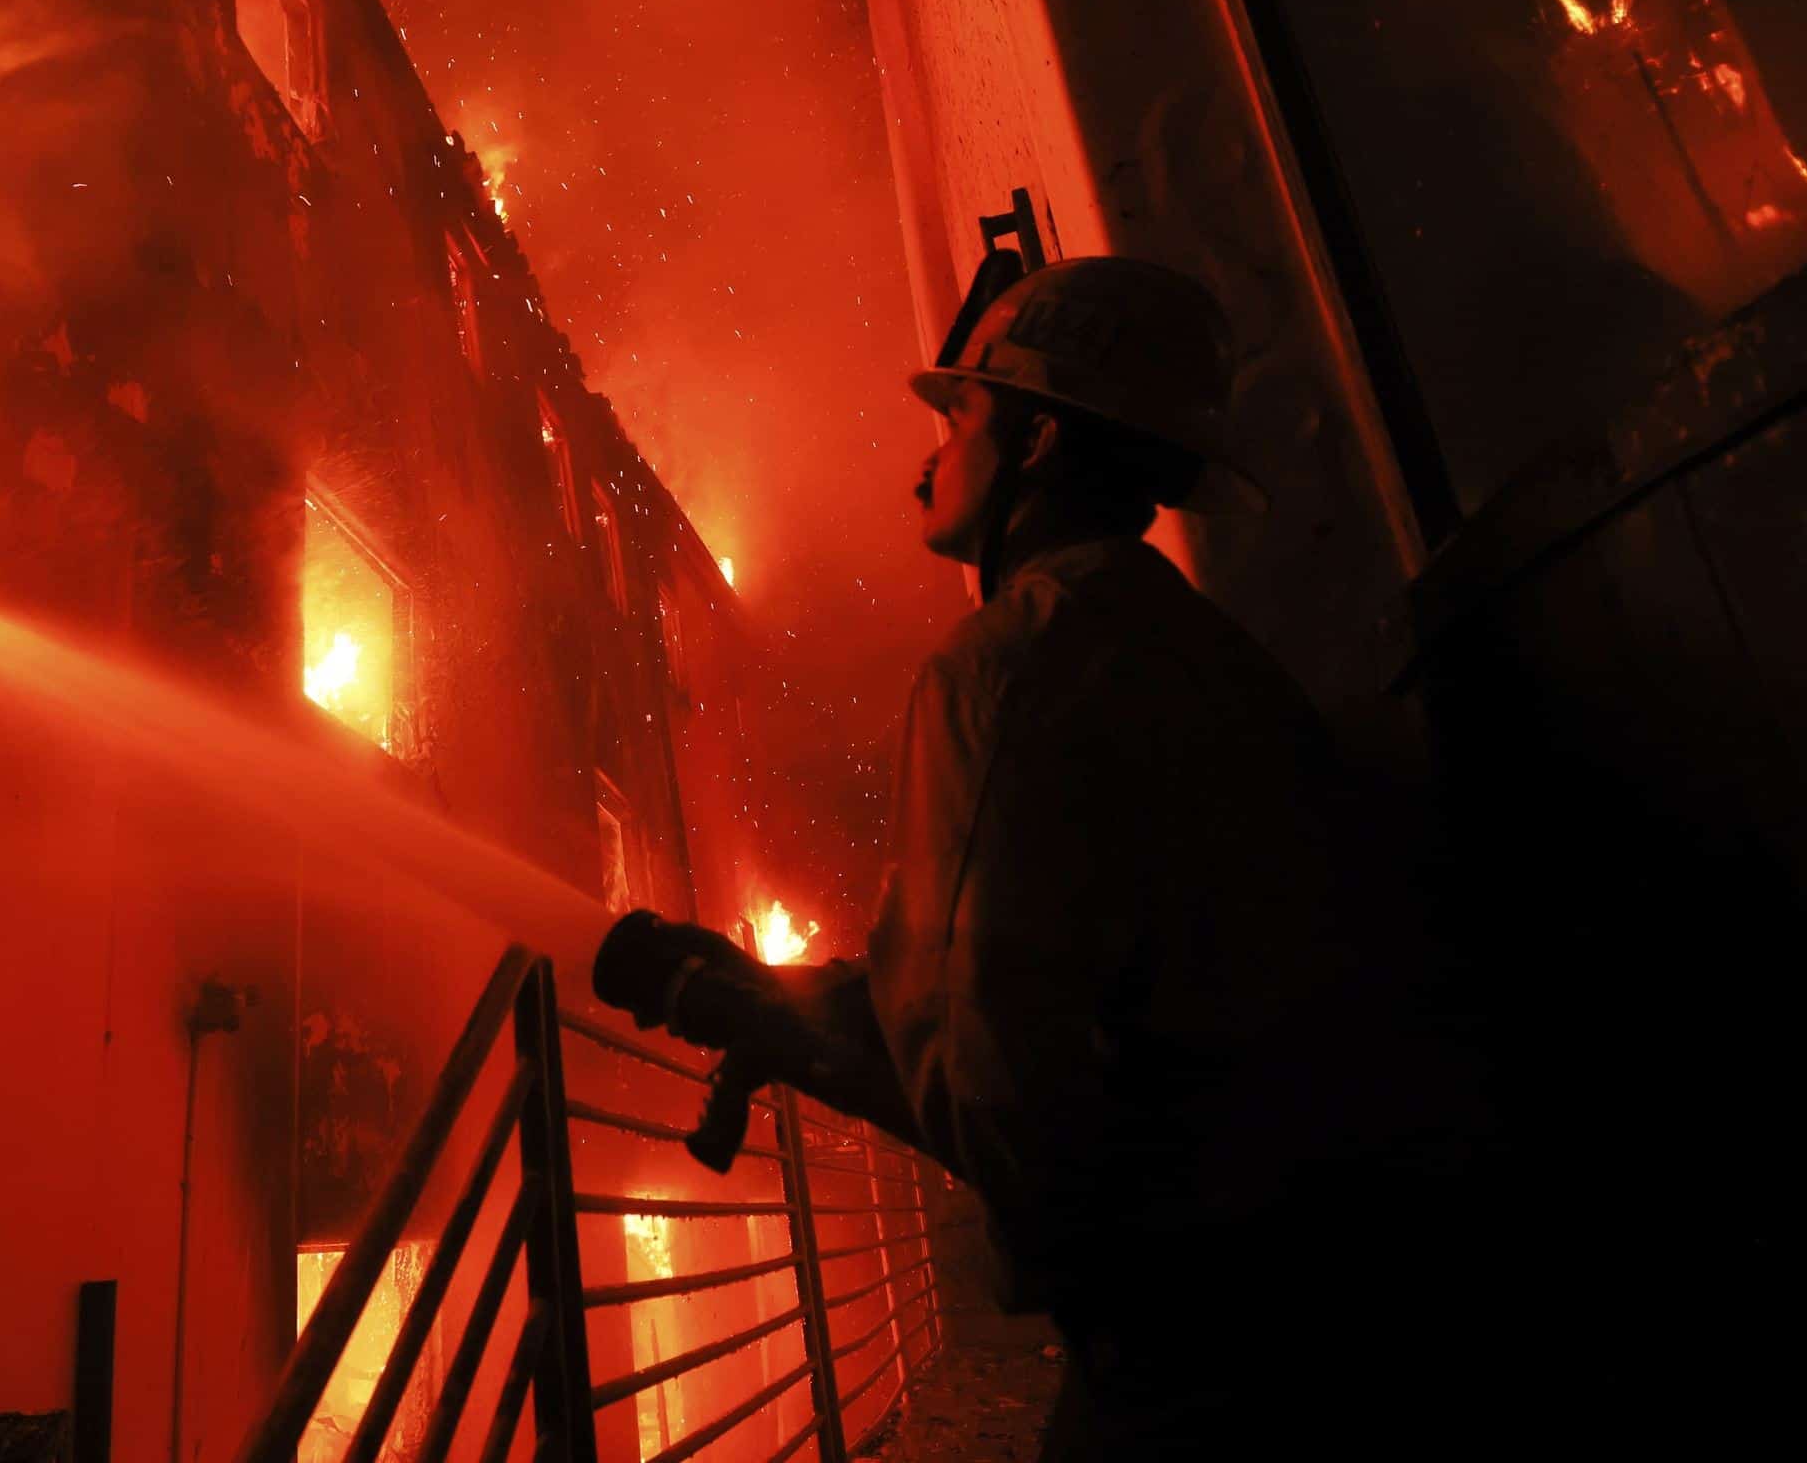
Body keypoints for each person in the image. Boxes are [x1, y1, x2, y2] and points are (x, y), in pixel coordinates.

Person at [626, 258, 1498, 1459]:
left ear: (1034, 440)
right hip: (1348, 1310)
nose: (926, 458)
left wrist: (824, 1036)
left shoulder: (1009, 666)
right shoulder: (1185, 645)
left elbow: (1003, 1101)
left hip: (1197, 1351)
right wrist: (799, 1004)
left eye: (959, 416)